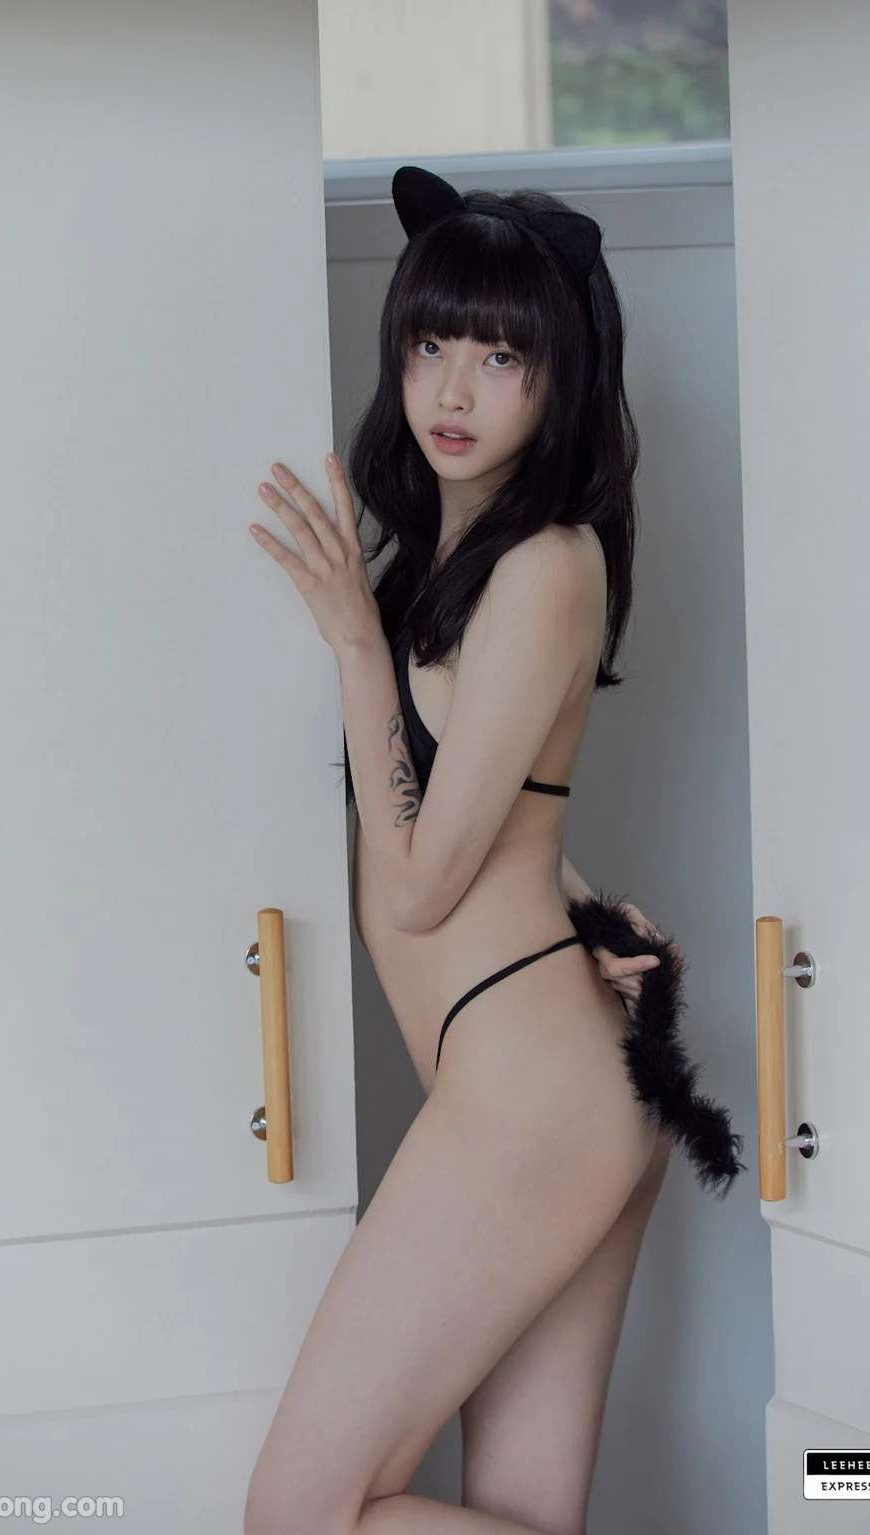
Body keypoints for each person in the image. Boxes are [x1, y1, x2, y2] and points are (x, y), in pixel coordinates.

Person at [243, 164, 744, 1535]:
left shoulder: (545, 565)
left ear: (558, 378)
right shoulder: (462, 558)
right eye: (429, 346)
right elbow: (508, 816)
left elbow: (417, 890)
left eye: (501, 357)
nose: (453, 391)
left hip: (533, 1098)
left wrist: (356, 646)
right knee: (522, 1512)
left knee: (301, 1512)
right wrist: (594, 912)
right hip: (544, 1077)